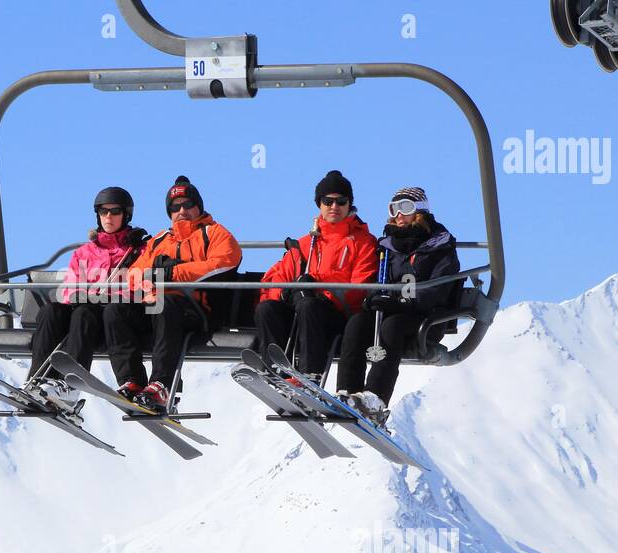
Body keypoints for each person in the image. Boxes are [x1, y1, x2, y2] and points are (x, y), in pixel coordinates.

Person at [103, 176, 242, 412]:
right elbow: (134, 274)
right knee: (116, 309)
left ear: (198, 206)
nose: (182, 211)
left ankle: (162, 385)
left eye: (188, 205)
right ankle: (133, 381)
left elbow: (225, 262)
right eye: (175, 207)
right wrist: (154, 276)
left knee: (164, 303)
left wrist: (174, 272)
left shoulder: (214, 233)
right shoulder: (160, 240)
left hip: (197, 310)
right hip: (157, 306)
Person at [335, 186, 461, 424]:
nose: (399, 215)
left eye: (406, 208)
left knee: (392, 327)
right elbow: (376, 280)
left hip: (427, 319)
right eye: (394, 209)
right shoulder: (387, 248)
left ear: (420, 212)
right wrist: (373, 297)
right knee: (358, 322)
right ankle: (347, 391)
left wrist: (400, 301)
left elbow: (435, 290)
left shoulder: (440, 248)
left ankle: (375, 398)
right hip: (391, 312)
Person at [253, 170, 378, 383]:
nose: (334, 207)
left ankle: (309, 375)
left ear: (350, 204)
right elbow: (276, 279)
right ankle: (274, 369)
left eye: (341, 201)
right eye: (327, 201)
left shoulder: (363, 241)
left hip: (337, 316)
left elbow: (359, 291)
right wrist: (285, 293)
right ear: (319, 204)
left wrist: (318, 293)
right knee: (267, 308)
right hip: (301, 315)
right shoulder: (305, 244)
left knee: (309, 305)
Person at [26, 187, 144, 406]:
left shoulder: (138, 251)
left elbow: (140, 288)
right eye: (103, 211)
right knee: (51, 310)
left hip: (110, 321)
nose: (108, 216)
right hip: (84, 319)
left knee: (84, 312)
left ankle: (70, 387)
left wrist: (102, 295)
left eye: (115, 211)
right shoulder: (84, 253)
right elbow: (69, 288)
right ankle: (38, 380)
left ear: (126, 214)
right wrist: (82, 295)